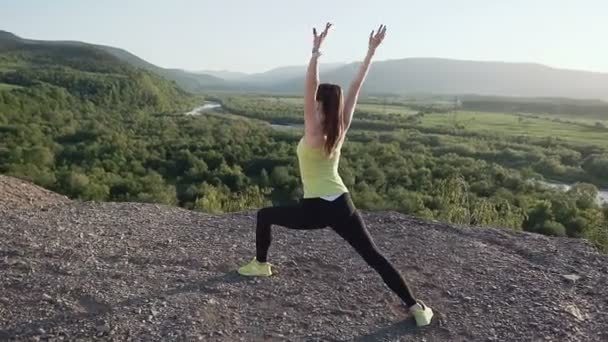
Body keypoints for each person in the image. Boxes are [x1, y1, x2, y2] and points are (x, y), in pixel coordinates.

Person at [238, 23, 433, 327]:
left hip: (315, 209)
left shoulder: (314, 131)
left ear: (320, 105)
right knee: (374, 256)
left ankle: (261, 265)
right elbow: (355, 88)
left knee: (265, 215)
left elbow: (309, 84)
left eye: (316, 102)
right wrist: (371, 51)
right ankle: (416, 306)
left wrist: (316, 52)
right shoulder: (340, 128)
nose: (312, 104)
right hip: (343, 204)